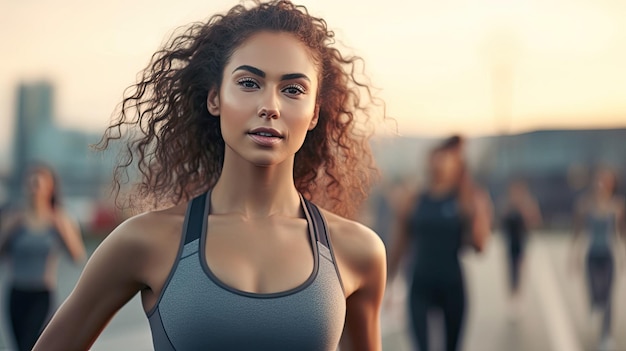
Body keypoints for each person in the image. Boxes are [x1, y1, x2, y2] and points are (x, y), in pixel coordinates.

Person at [34, 1, 387, 350]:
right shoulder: (144, 241)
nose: (270, 106)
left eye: (292, 89)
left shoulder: (358, 251)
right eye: (249, 83)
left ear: (314, 114)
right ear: (215, 99)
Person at [387, 135, 492, 351]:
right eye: (436, 156)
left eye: (446, 157)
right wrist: (388, 283)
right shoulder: (414, 199)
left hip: (452, 285)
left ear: (457, 165)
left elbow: (479, 247)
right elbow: (399, 244)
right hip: (420, 285)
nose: (439, 161)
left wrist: (478, 214)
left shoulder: (465, 199)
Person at [0, 163, 86, 351]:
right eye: (30, 183)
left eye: (38, 183)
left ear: (50, 188)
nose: (33, 188)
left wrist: (62, 229)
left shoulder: (59, 218)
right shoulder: (14, 217)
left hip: (42, 295)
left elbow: (77, 256)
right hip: (16, 293)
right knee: (19, 346)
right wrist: (8, 231)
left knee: (30, 345)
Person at [570, 167, 625, 350]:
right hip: (592, 254)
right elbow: (578, 231)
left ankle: (606, 336)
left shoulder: (616, 206)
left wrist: (622, 255)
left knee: (609, 296)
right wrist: (574, 254)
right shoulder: (585, 204)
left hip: (609, 255)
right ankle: (594, 306)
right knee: (595, 292)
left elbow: (620, 234)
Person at [499, 179, 542, 317]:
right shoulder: (508, 205)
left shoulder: (527, 204)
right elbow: (501, 221)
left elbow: (535, 221)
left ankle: (519, 295)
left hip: (522, 242)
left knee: (520, 269)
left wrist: (525, 209)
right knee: (510, 270)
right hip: (510, 242)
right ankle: (512, 296)